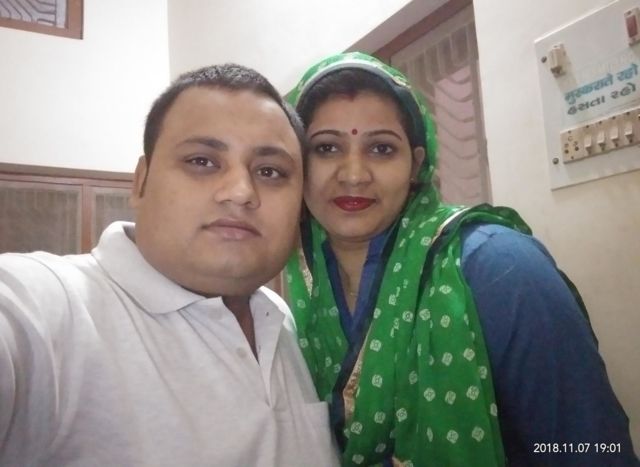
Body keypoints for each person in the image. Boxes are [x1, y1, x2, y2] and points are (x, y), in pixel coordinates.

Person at [285, 52, 639, 466]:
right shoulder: (296, 296)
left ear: (416, 164)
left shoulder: (498, 267)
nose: (353, 174)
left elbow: (591, 446)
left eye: (381, 148)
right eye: (326, 148)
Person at [0, 63, 339, 466]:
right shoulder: (49, 309)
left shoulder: (281, 320)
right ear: (140, 181)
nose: (240, 191)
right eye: (202, 161)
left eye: (270, 171)